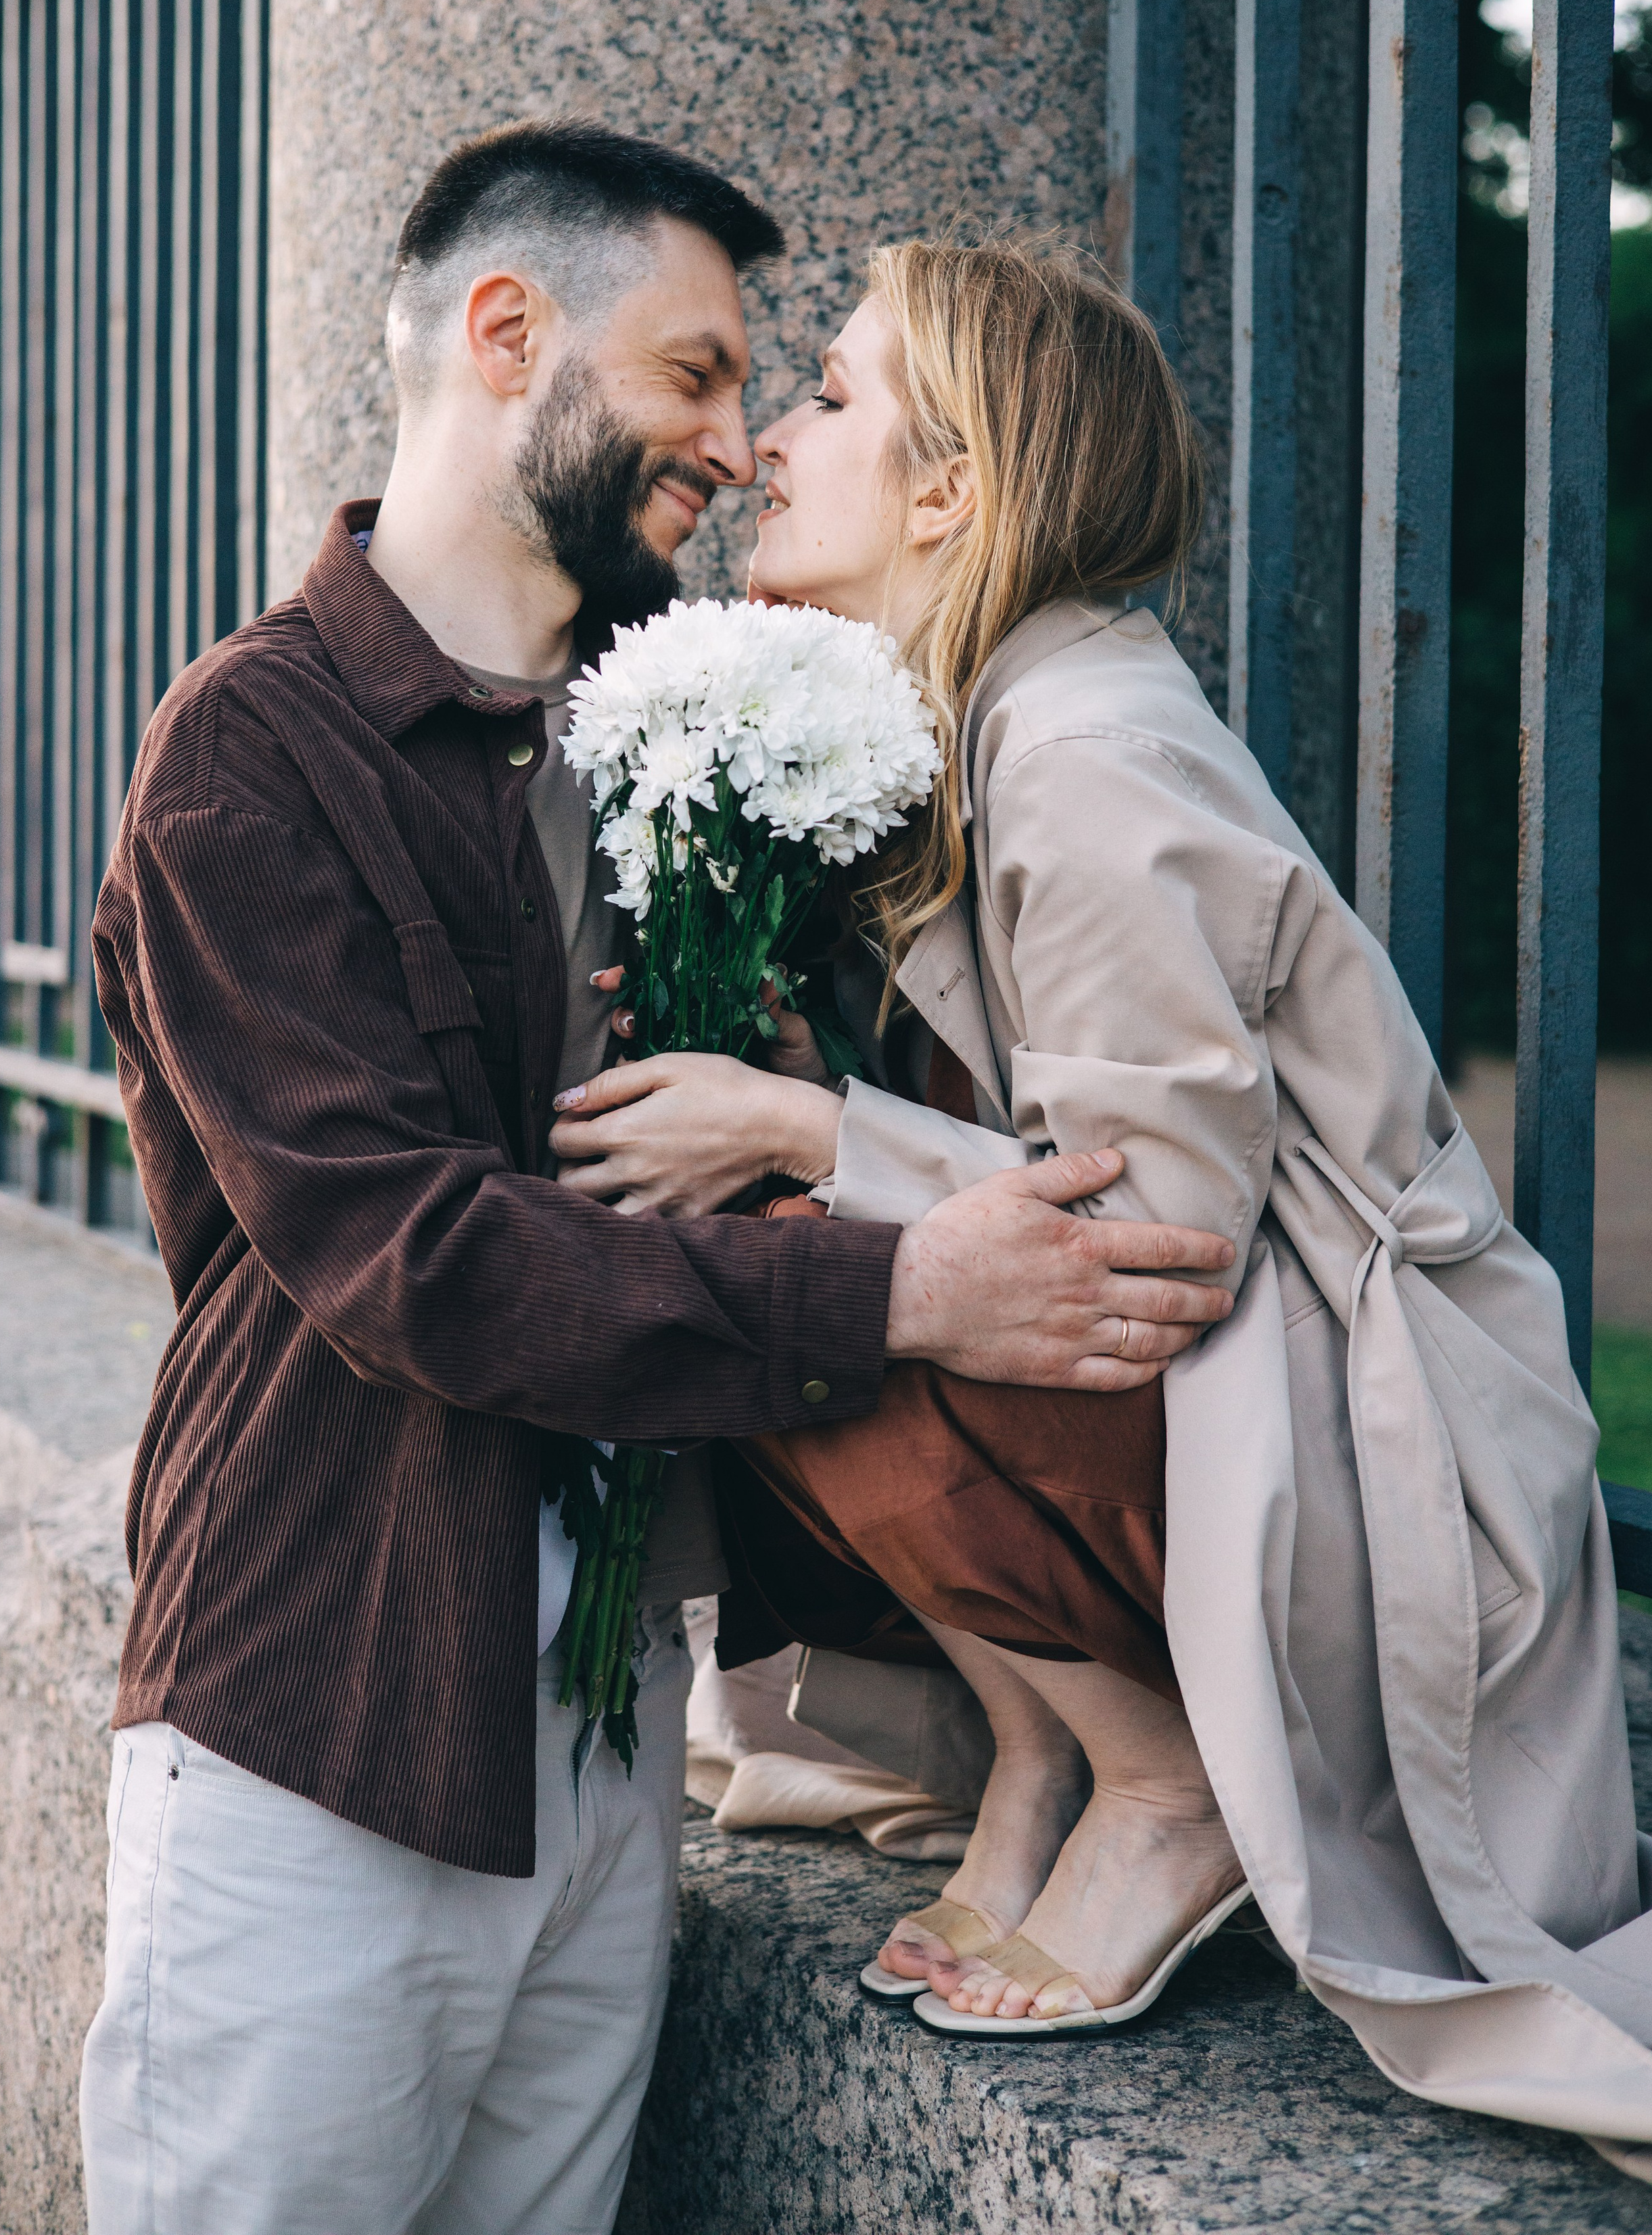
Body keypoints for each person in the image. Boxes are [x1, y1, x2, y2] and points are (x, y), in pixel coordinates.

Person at [78, 132, 1240, 2235]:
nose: (733, 436)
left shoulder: (659, 742)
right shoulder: (249, 756)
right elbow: (404, 1256)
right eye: (698, 374)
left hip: (611, 1750)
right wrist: (893, 1289)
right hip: (328, 1718)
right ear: (510, 337)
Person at [549, 237, 1652, 2195]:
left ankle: (1163, 1783)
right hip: (1233, 1400)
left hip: (1351, 1436)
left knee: (816, 1298)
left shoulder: (1077, 756)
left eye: (828, 395)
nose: (766, 450)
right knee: (795, 1273)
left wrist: (804, 1121)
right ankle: (1051, 1761)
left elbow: (1154, 1235)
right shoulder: (974, 715)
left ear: (949, 495)